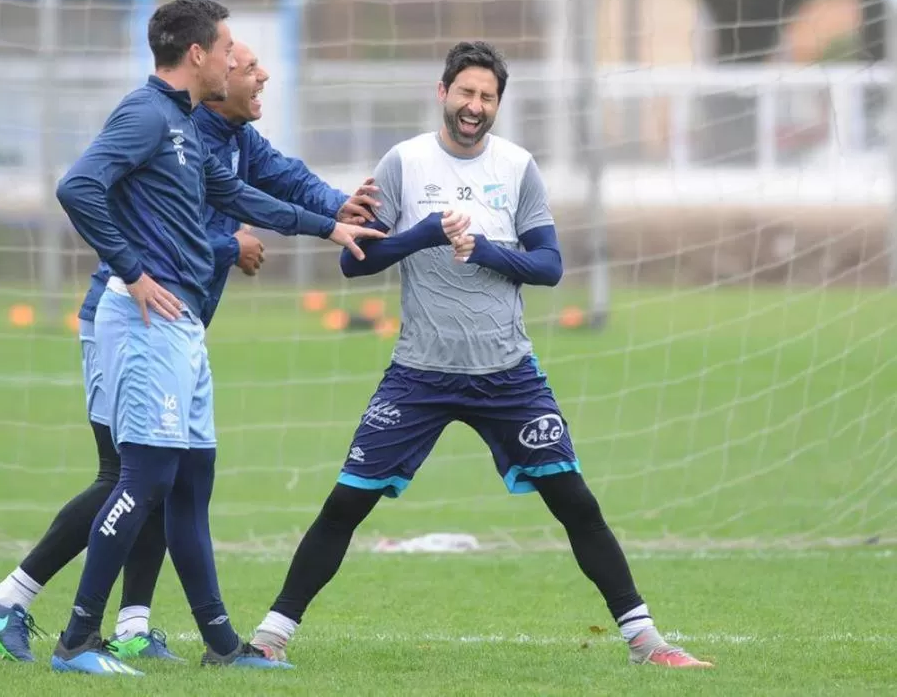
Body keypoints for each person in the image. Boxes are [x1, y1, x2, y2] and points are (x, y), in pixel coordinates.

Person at [249, 41, 712, 670]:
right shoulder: (403, 163)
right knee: (345, 504)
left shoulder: (519, 167)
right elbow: (353, 261)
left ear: (498, 104)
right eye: (465, 93)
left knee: (577, 503)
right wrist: (427, 231)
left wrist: (488, 250)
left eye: (487, 96)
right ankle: (271, 636)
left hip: (507, 374)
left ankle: (646, 641)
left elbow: (550, 267)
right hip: (419, 373)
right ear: (443, 94)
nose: (475, 106)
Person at [0, 38, 377, 665]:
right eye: (243, 63)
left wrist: (332, 214)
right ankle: (22, 603)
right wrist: (191, 256)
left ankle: (145, 627)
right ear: (206, 64)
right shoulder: (161, 121)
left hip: (175, 319)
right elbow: (131, 210)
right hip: (130, 315)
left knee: (168, 477)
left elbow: (267, 184)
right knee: (133, 475)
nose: (260, 73)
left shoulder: (220, 135)